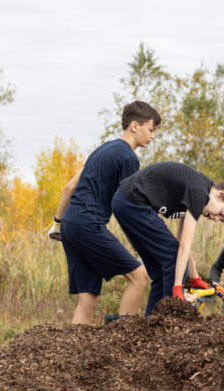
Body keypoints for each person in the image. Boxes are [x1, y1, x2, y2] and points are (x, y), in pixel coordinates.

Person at [47, 101, 156, 325]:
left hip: (70, 225)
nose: (153, 136)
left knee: (88, 299)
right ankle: (121, 340)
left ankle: (73, 352)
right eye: (151, 129)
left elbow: (69, 188)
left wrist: (58, 223)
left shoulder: (102, 149)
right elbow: (127, 207)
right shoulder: (128, 158)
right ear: (135, 126)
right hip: (88, 225)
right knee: (140, 277)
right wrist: (140, 243)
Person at [113, 161, 224, 316]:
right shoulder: (199, 192)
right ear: (220, 194)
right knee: (172, 260)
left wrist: (195, 279)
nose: (215, 218)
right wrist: (177, 289)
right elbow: (182, 248)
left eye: (221, 219)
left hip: (124, 202)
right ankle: (167, 320)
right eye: (221, 213)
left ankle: (151, 326)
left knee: (161, 270)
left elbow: (181, 244)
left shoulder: (198, 192)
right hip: (132, 203)